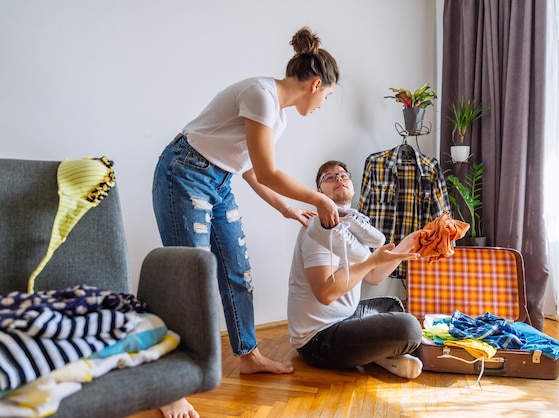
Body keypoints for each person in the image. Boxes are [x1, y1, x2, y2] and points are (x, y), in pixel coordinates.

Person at [151, 26, 341, 418]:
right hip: (184, 173)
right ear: (316, 84)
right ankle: (172, 385)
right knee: (190, 277)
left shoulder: (278, 115)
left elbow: (252, 172)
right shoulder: (261, 94)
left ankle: (249, 355)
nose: (324, 103)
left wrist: (284, 208)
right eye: (328, 96)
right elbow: (269, 171)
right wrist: (318, 196)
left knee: (238, 269)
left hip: (217, 181)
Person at [287, 160, 425, 379]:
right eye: (329, 178)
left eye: (343, 175)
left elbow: (373, 276)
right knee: (408, 327)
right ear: (318, 192)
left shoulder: (353, 227)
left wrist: (410, 241)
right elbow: (325, 293)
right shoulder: (319, 230)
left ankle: (377, 356)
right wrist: (371, 261)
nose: (339, 179)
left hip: (346, 318)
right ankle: (380, 356)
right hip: (317, 340)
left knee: (393, 304)